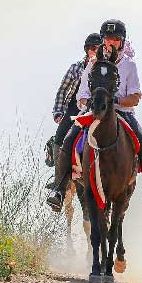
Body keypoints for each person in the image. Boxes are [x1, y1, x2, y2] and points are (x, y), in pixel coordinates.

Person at [46, 19, 142, 213]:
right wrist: (92, 103)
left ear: (122, 41)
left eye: (115, 40)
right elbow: (82, 94)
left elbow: (135, 97)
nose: (111, 43)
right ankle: (59, 191)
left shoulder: (129, 65)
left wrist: (115, 103)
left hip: (122, 113)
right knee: (68, 140)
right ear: (102, 40)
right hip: (93, 111)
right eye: (107, 39)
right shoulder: (93, 63)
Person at [47, 33, 102, 187]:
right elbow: (63, 91)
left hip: (98, 109)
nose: (95, 51)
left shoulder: (104, 68)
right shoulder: (76, 68)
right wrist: (58, 112)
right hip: (75, 108)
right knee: (60, 138)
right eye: (92, 48)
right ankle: (59, 181)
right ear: (86, 50)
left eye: (99, 49)